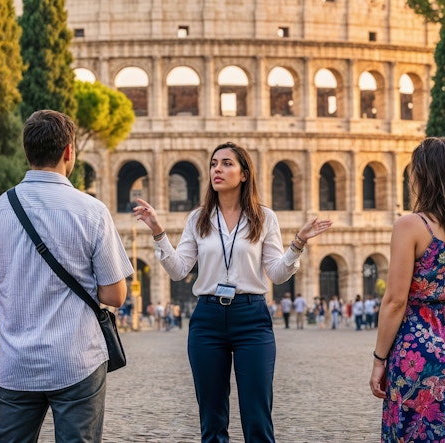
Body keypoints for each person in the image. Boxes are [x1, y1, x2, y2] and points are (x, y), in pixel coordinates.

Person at [134, 141, 332, 443]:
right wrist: (158, 231)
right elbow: (178, 270)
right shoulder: (198, 218)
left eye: (226, 163)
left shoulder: (265, 218)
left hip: (252, 317)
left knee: (257, 419)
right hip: (207, 319)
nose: (217, 169)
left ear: (243, 174)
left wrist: (298, 243)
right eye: (214, 163)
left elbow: (278, 274)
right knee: (212, 421)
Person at [0, 109, 134, 443]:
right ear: (69, 151)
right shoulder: (92, 211)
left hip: (16, 364)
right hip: (76, 360)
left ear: (27, 151)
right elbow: (115, 296)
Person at [370, 137, 445, 442]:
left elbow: (395, 300)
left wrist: (379, 360)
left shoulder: (412, 225)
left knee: (414, 431)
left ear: (422, 175)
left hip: (418, 348)